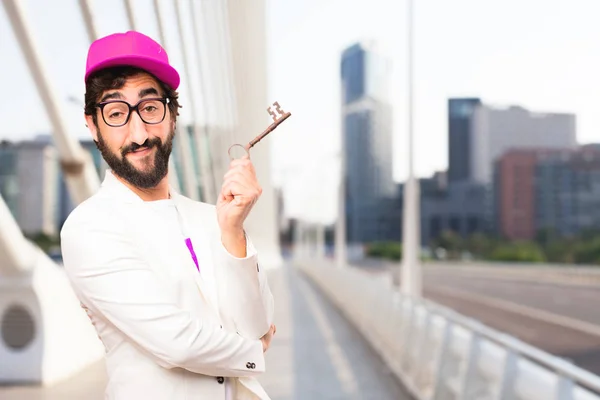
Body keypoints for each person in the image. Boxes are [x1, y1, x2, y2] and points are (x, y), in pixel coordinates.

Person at [60, 30, 276, 400]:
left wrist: (233, 233)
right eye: (115, 114)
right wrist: (253, 349)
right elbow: (177, 344)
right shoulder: (89, 228)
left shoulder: (215, 217)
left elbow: (257, 324)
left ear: (173, 114)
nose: (139, 133)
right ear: (92, 126)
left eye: (150, 108)